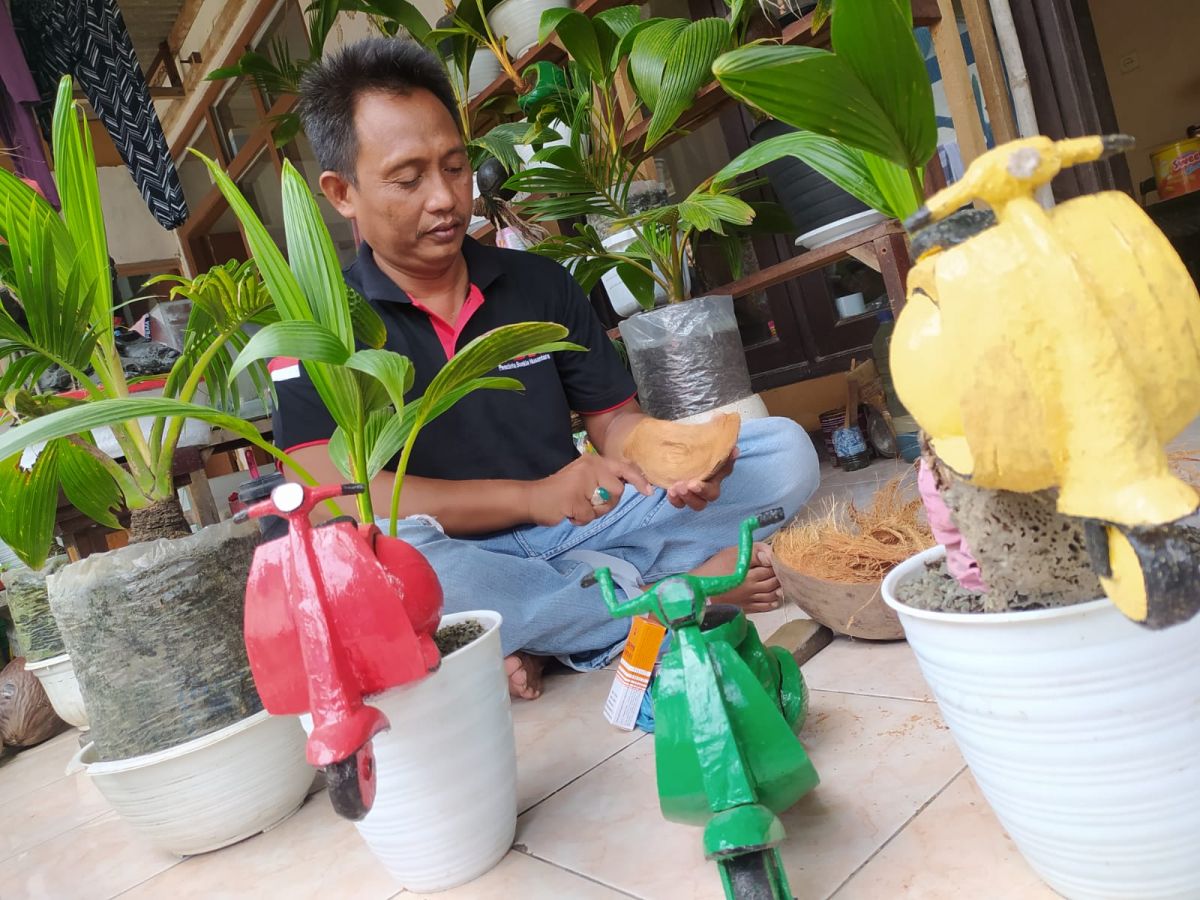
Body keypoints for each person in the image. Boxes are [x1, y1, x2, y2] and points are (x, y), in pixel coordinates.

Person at [273, 37, 820, 700]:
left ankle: (541, 630)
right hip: (462, 556)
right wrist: (532, 497)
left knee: (784, 452)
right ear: (342, 192)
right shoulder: (315, 327)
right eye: (408, 179)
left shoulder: (540, 284)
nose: (446, 199)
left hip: (585, 518)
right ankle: (670, 599)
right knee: (383, 571)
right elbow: (341, 499)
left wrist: (669, 461)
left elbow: (613, 422)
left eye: (454, 167)